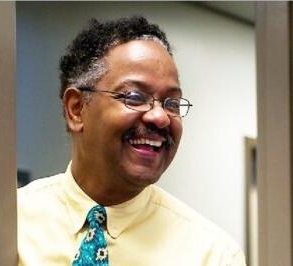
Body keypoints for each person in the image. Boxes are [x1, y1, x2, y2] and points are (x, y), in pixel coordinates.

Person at [17, 16, 246, 266]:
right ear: (77, 109)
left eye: (172, 103)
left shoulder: (212, 255)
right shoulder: (12, 223)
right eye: (135, 97)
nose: (160, 117)